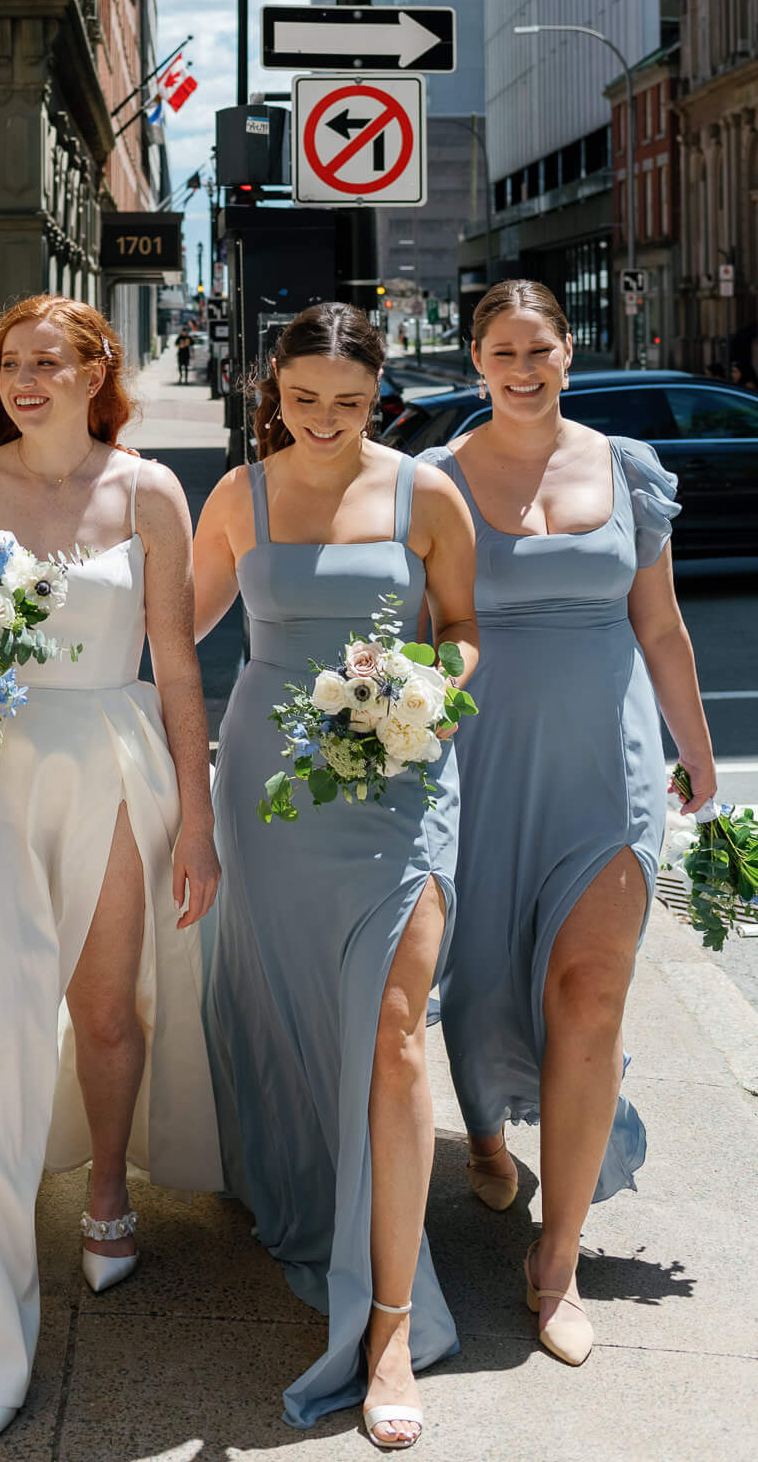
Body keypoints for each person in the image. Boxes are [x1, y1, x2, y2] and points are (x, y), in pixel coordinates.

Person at [0, 297, 222, 1441]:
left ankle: (108, 1192)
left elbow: (175, 664)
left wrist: (199, 817)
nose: (25, 380)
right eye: (10, 364)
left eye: (47, 363)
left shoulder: (148, 490)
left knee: (107, 1006)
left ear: (94, 372)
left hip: (112, 761)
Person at [193, 303, 478, 1449]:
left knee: (397, 1028)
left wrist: (430, 697)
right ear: (275, 389)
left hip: (400, 781)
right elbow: (177, 630)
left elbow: (460, 627)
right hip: (272, 792)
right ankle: (321, 1198)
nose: (324, 421)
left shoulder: (425, 494)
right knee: (305, 1017)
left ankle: (395, 1323)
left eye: (349, 403)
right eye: (304, 399)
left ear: (381, 395)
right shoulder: (236, 497)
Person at [419, 279, 717, 1368]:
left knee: (589, 989)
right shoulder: (436, 480)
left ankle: (558, 1261)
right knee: (479, 969)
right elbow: (417, 627)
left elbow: (664, 624)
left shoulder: (625, 466)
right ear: (477, 358)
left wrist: (694, 746)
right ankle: (488, 1140)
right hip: (479, 760)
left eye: (539, 347)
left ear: (566, 350)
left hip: (610, 766)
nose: (523, 366)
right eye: (502, 350)